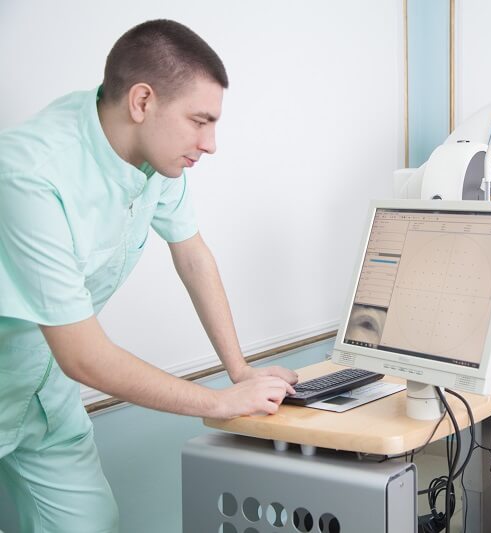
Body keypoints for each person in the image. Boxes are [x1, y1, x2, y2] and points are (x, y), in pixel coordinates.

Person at [0, 20, 298, 532]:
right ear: (142, 101)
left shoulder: (156, 161)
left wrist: (240, 370)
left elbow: (192, 255)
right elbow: (83, 356)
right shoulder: (30, 175)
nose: (210, 143)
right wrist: (217, 402)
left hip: (43, 397)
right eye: (199, 121)